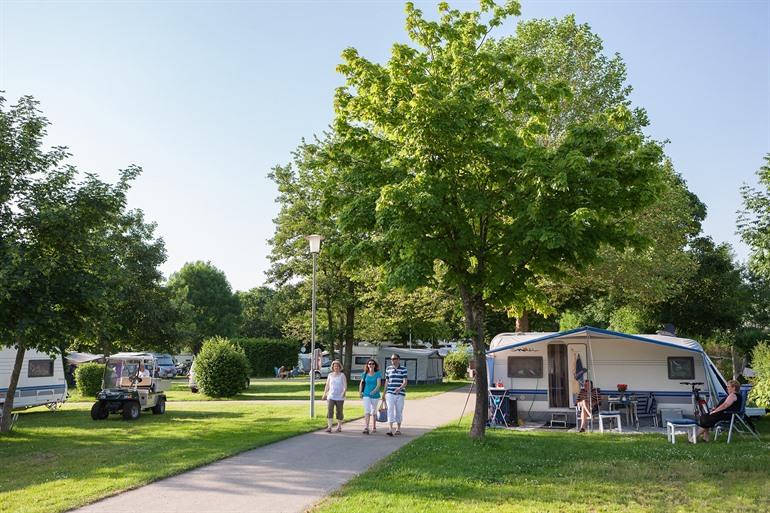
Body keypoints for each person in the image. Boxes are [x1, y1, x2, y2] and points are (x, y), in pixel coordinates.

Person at [384, 353, 408, 436]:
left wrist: (399, 388)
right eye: (391, 359)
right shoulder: (388, 369)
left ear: (398, 359)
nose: (392, 360)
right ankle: (390, 429)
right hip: (390, 392)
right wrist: (384, 393)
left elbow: (405, 382)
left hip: (400, 393)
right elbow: (387, 381)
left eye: (394, 359)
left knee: (399, 410)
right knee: (390, 409)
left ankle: (398, 428)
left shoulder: (403, 369)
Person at [322, 360, 347, 433]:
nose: (336, 367)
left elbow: (345, 385)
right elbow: (327, 385)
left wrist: (344, 392)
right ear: (332, 367)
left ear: (340, 367)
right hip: (331, 396)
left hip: (340, 397)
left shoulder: (342, 375)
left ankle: (339, 426)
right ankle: (329, 427)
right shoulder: (330, 375)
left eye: (337, 366)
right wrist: (324, 394)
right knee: (330, 411)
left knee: (339, 411)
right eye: (334, 366)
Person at [359, 359, 383, 434]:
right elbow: (361, 383)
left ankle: (374, 426)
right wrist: (360, 392)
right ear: (367, 365)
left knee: (374, 411)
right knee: (367, 410)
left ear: (375, 365)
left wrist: (374, 391)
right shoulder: (364, 374)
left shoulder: (377, 374)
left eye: (372, 364)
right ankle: (366, 427)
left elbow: (379, 384)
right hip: (366, 394)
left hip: (375, 395)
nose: (371, 365)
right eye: (369, 364)